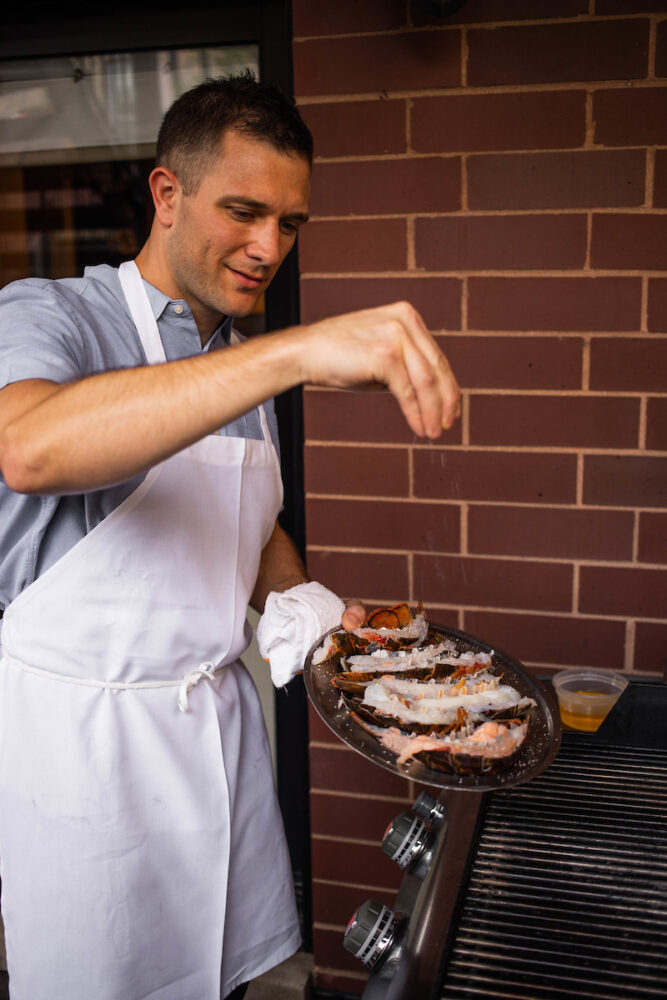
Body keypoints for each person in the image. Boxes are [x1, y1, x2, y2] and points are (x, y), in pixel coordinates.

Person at [0, 73, 460, 1000]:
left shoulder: (231, 358)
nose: (268, 248)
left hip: (215, 741)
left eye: (290, 224)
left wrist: (313, 616)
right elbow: (30, 448)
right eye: (244, 213)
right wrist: (291, 353)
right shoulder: (48, 314)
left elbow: (242, 523)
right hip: (85, 762)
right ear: (167, 195)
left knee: (228, 979)